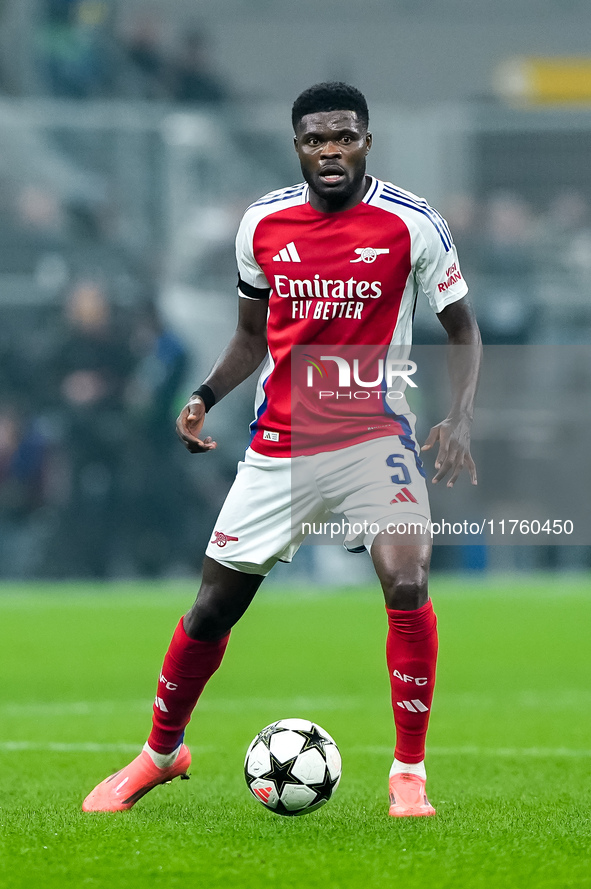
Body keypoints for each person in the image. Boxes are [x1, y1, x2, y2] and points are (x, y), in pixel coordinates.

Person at [82, 82, 481, 817]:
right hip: (280, 446)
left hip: (374, 437)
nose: (330, 151)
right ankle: (160, 753)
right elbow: (248, 336)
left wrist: (456, 418)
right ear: (296, 145)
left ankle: (408, 774)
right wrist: (204, 393)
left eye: (344, 136)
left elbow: (462, 329)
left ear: (366, 140)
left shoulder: (412, 224)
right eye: (314, 139)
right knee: (209, 610)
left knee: (406, 583)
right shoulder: (261, 223)